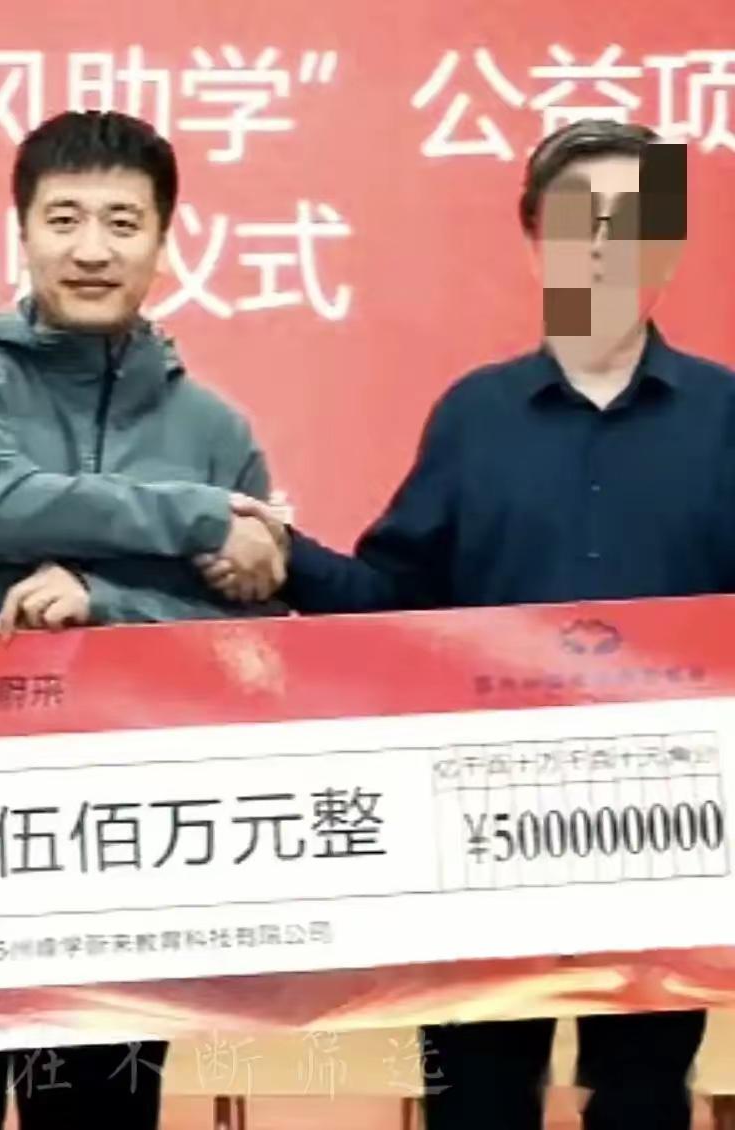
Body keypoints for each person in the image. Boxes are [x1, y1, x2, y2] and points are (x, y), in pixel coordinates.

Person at [200, 118, 719, 1130]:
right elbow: (399, 609)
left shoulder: (726, 416)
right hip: (483, 836)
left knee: (644, 1099)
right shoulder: (473, 417)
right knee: (477, 1097)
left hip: (670, 838)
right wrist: (285, 556)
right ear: (534, 239)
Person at [0, 109, 284, 1130]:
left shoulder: (216, 428)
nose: (92, 249)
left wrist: (109, 602)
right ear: (22, 230)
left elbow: (256, 640)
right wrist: (195, 516)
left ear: (165, 240)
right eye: (64, 219)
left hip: (121, 845)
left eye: (122, 222)